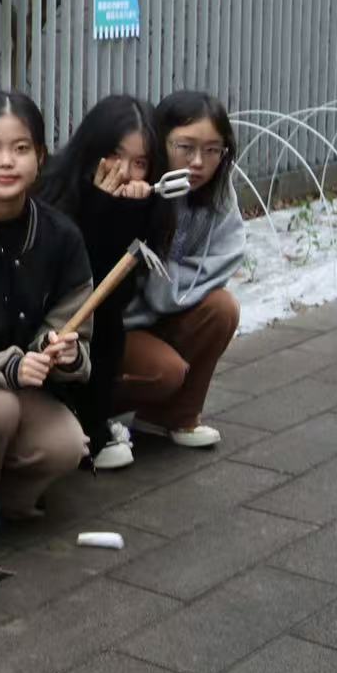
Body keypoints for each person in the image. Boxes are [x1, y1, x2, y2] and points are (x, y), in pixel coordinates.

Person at [0, 93, 94, 518]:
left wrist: (62, 352)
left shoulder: (61, 237)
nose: (6, 162)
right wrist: (4, 366)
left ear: (40, 157)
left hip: (21, 390)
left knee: (65, 443)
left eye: (21, 148)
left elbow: (76, 333)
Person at [39, 93, 169, 471]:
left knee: (110, 327)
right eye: (114, 154)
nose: (124, 170)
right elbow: (73, 287)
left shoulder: (149, 202)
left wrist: (126, 215)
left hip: (106, 327)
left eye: (140, 162)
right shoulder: (55, 188)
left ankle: (95, 424)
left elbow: (114, 297)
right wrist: (99, 210)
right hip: (46, 328)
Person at [119, 90, 241, 448]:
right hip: (118, 324)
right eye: (185, 147)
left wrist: (167, 284)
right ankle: (90, 421)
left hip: (169, 309)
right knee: (165, 371)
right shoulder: (138, 186)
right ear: (160, 140)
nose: (198, 162)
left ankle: (173, 417)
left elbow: (226, 254)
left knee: (222, 308)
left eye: (213, 150)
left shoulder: (218, 193)